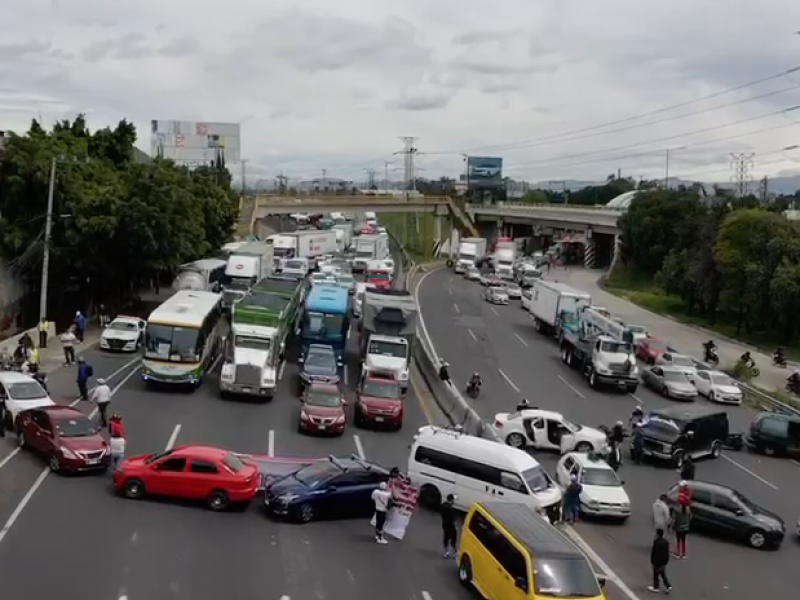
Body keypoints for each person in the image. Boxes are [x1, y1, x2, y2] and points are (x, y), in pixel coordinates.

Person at [649, 529, 672, 593]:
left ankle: (656, 587)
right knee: (663, 574)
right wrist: (666, 561)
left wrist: (652, 561)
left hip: (657, 562)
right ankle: (668, 586)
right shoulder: (666, 542)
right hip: (663, 562)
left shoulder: (656, 542)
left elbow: (654, 553)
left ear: (657, 534)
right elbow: (667, 552)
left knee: (656, 575)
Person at [440, 493, 458, 558]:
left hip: (445, 525)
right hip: (451, 527)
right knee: (453, 539)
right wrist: (456, 527)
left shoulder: (443, 505)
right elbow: (453, 520)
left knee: (446, 538)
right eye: (453, 500)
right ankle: (455, 552)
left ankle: (446, 552)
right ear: (451, 500)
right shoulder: (451, 509)